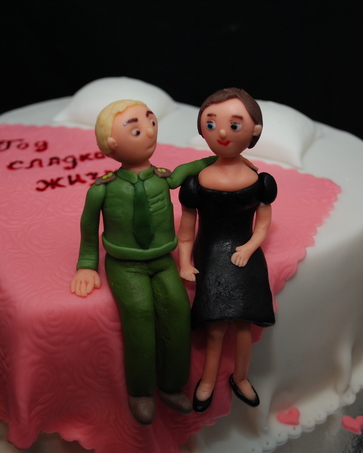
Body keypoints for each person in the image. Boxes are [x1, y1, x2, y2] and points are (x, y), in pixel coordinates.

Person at [71, 100, 214, 425]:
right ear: (112, 144)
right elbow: (88, 228)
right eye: (136, 129)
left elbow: (189, 169)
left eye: (151, 122)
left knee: (178, 309)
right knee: (139, 314)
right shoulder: (102, 190)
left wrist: (219, 158)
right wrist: (87, 264)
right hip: (125, 265)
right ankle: (140, 391)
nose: (149, 131)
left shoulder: (162, 178)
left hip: (163, 259)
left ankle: (172, 385)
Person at [177, 88, 277, 413]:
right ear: (200, 128)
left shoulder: (260, 182)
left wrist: (248, 248)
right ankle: (207, 381)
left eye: (234, 125)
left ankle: (241, 377)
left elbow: (262, 225)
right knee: (216, 327)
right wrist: (184, 261)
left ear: (254, 131)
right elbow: (186, 231)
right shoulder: (196, 183)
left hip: (246, 255)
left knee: (245, 326)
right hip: (211, 254)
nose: (221, 133)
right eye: (211, 124)